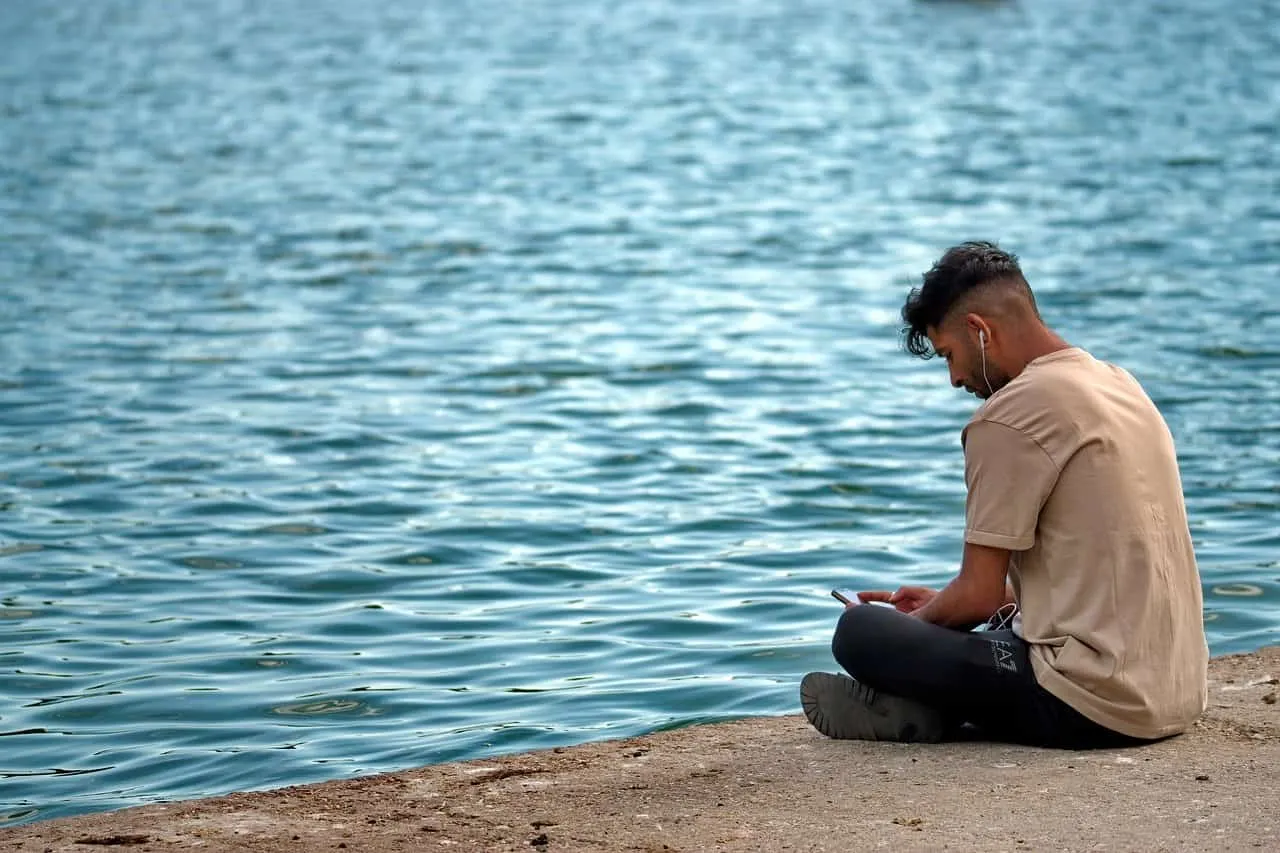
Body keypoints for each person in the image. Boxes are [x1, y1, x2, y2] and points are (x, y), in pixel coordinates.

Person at [800, 242, 1208, 749]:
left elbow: (978, 595)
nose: (953, 379)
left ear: (980, 331)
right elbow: (1098, 569)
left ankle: (925, 708)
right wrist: (942, 611)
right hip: (1176, 692)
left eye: (949, 355)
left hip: (1092, 707)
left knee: (860, 631)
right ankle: (924, 708)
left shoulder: (1011, 414)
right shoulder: (1120, 385)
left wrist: (920, 630)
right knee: (977, 637)